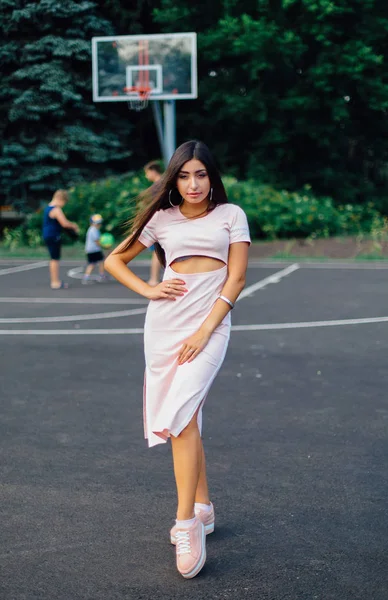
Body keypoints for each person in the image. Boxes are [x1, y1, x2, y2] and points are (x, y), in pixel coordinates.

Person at [105, 141, 250, 579]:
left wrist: (206, 329)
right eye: (184, 175)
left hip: (209, 327)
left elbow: (238, 277)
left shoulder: (231, 215)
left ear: (212, 176)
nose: (192, 184)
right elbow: (115, 259)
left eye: (201, 174)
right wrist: (149, 290)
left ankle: (186, 522)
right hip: (166, 327)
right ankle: (203, 506)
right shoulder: (161, 219)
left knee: (182, 417)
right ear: (174, 179)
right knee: (187, 421)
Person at [42, 189, 79, 289]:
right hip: (53, 236)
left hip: (48, 235)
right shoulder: (56, 209)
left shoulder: (48, 208)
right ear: (60, 199)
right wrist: (74, 226)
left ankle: (55, 281)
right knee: (55, 259)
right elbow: (64, 223)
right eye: (64, 202)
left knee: (53, 258)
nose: (63, 205)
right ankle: (55, 282)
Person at [143, 161, 163, 286]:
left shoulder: (157, 187)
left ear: (153, 171)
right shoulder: (165, 184)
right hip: (164, 222)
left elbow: (154, 207)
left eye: (147, 173)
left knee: (157, 252)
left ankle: (154, 279)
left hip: (159, 223)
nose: (146, 176)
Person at [82, 214, 106, 284]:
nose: (99, 225)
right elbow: (97, 241)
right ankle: (100, 276)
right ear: (92, 223)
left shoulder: (93, 229)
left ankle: (87, 277)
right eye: (97, 223)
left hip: (91, 250)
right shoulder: (93, 230)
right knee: (97, 262)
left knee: (96, 262)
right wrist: (105, 246)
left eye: (99, 223)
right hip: (94, 250)